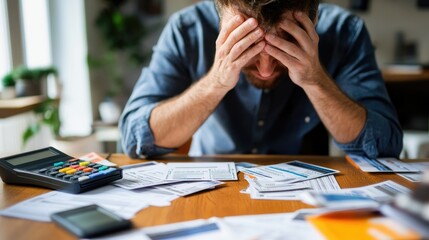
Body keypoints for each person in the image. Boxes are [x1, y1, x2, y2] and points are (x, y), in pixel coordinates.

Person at [119, 0, 403, 158]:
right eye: (246, 45)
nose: (266, 70)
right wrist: (216, 82)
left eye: (284, 46)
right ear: (220, 16)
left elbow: (385, 142)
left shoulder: (345, 31)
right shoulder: (186, 29)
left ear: (313, 20)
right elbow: (135, 137)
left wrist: (316, 80)